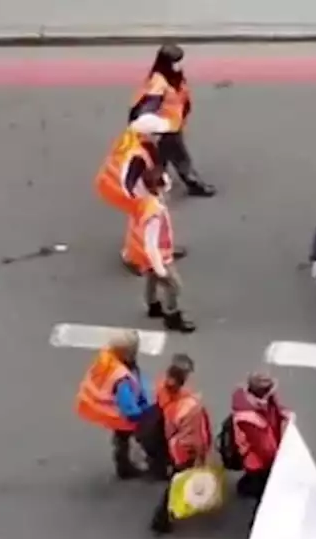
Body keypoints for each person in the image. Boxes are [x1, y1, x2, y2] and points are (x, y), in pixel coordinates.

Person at [94, 115, 189, 273]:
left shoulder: (137, 141)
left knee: (156, 218)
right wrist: (139, 200)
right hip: (134, 191)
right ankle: (136, 259)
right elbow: (127, 180)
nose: (161, 136)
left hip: (138, 187)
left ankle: (161, 250)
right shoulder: (136, 154)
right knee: (146, 222)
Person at [128, 44, 216, 197]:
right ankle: (191, 183)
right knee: (177, 156)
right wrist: (154, 126)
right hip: (163, 129)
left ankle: (148, 185)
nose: (180, 65)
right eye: (177, 61)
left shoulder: (173, 76)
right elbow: (147, 107)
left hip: (172, 125)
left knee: (159, 159)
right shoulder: (158, 83)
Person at [122, 165, 197, 334]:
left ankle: (153, 305)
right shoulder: (155, 213)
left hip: (140, 251)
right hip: (158, 255)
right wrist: (160, 267)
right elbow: (151, 243)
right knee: (174, 286)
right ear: (158, 187)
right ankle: (172, 315)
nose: (169, 182)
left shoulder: (142, 200)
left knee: (152, 279)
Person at [74, 330, 153, 480]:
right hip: (123, 417)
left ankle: (124, 462)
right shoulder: (121, 378)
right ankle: (125, 467)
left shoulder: (109, 360)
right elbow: (127, 404)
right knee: (129, 440)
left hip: (117, 413)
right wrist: (140, 415)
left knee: (121, 440)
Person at [149, 354, 212, 536]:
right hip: (181, 450)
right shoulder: (190, 407)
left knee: (171, 475)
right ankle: (161, 518)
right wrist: (199, 455)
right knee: (176, 483)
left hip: (168, 439)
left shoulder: (163, 388)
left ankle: (159, 472)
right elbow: (194, 437)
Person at [231, 372, 292, 523]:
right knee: (263, 491)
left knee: (253, 479)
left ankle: (244, 488)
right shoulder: (251, 419)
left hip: (254, 455)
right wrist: (278, 460)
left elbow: (274, 410)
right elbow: (265, 449)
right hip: (257, 460)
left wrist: (284, 414)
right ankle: (257, 523)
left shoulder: (254, 402)